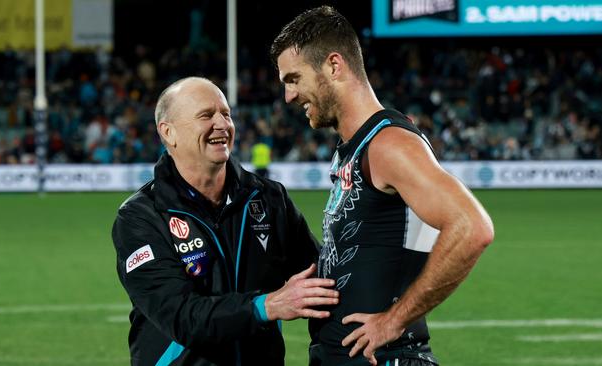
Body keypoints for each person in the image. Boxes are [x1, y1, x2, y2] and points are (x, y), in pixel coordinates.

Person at [270, 6, 495, 366]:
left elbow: (472, 227)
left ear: (334, 65)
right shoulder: (354, 146)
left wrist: (394, 320)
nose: (290, 96)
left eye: (294, 79)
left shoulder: (388, 144)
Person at [111, 77, 339, 366]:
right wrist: (267, 305)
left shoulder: (269, 199)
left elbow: (322, 282)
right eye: (206, 115)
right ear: (168, 133)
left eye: (226, 114)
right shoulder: (141, 217)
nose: (222, 124)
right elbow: (181, 317)